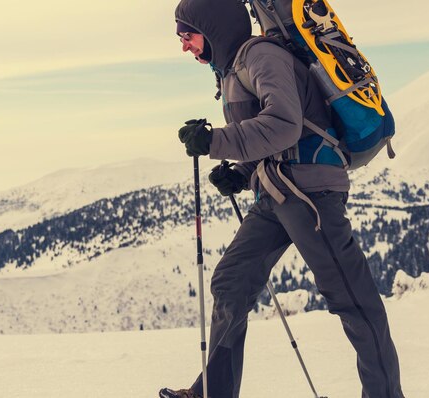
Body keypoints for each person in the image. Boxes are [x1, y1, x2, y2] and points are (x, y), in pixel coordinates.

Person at [160, 0, 405, 397]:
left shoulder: (262, 56)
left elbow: (285, 125)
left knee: (351, 298)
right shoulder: (234, 67)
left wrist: (216, 141)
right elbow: (278, 134)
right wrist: (240, 173)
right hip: (278, 190)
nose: (184, 45)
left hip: (311, 192)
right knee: (231, 282)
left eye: (186, 35)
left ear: (212, 27)